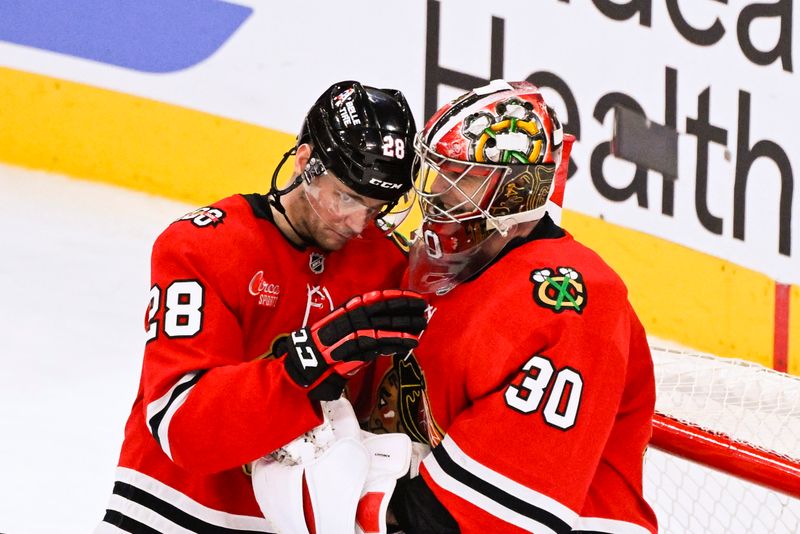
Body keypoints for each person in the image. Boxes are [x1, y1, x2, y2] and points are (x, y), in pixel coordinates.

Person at [95, 80, 428, 533]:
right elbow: (184, 430)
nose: (357, 223)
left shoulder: (386, 264)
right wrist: (312, 359)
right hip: (169, 513)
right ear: (306, 161)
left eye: (376, 207)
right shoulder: (202, 246)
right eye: (346, 197)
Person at [362, 80, 659, 533]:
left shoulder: (574, 301)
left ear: (517, 192)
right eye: (438, 169)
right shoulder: (445, 267)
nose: (438, 190)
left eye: (462, 178)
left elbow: (498, 510)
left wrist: (364, 503)